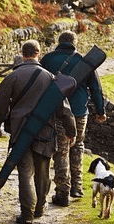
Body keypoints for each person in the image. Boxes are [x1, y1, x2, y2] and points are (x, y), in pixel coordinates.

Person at [0, 40, 76, 224]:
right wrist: (71, 131)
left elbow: (0, 105)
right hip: (45, 132)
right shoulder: (51, 78)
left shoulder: (12, 77)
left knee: (25, 173)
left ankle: (27, 214)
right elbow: (64, 109)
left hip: (20, 132)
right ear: (38, 53)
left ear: (23, 53)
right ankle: (39, 207)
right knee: (43, 173)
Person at [40, 30, 106, 207]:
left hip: (57, 111)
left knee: (61, 149)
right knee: (77, 146)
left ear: (59, 42)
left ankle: (62, 192)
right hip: (79, 112)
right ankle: (76, 187)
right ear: (75, 43)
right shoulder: (84, 62)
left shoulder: (47, 60)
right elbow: (96, 89)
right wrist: (100, 111)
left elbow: (39, 83)